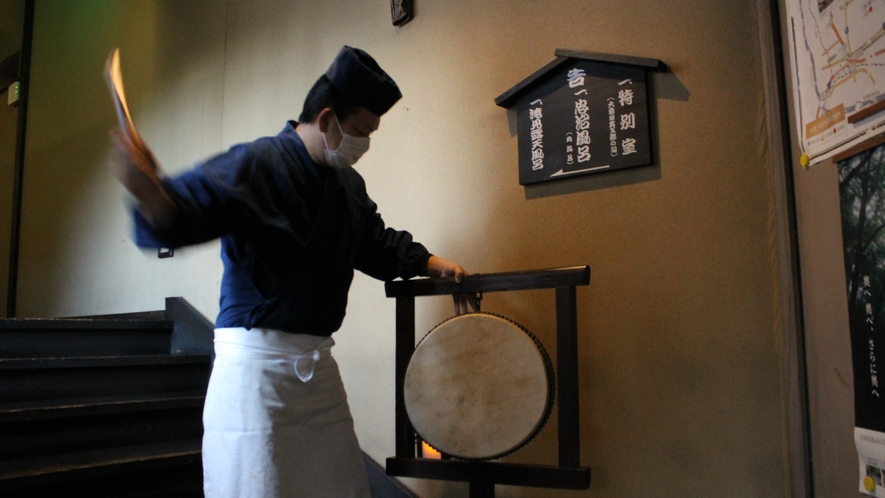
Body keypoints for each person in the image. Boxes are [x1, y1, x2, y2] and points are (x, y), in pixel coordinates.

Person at [111, 45, 474, 497]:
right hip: (256, 374)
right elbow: (187, 208)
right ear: (326, 120)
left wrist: (431, 264)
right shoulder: (258, 163)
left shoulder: (347, 185)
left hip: (317, 368)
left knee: (341, 484)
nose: (365, 144)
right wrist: (150, 193)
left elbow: (374, 242)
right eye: (361, 131)